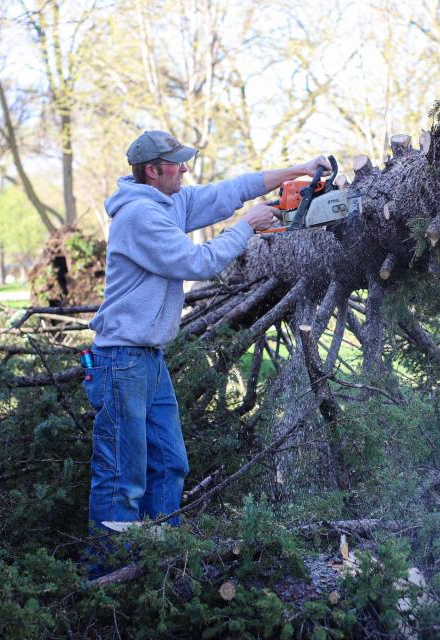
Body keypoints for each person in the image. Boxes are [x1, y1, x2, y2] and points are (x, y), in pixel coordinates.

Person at [84, 129, 328, 534]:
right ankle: (109, 568)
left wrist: (297, 171)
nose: (184, 168)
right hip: (119, 360)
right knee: (121, 475)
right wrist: (246, 227)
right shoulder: (140, 216)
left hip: (147, 358)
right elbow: (198, 263)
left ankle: (159, 551)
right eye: (176, 163)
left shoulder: (167, 200)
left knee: (168, 462)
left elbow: (227, 192)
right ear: (152, 170)